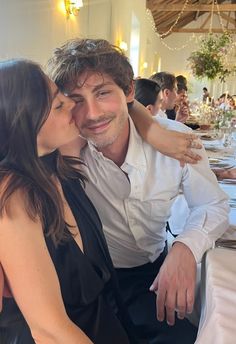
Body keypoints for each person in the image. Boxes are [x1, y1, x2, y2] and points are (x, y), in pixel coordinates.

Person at [47, 38, 230, 344]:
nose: (91, 114)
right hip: (90, 284)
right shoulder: (67, 146)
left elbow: (213, 204)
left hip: (151, 274)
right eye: (76, 99)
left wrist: (186, 248)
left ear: (129, 91)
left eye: (103, 92)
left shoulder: (178, 142)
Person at [0, 59, 142, 344]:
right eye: (59, 104)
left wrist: (156, 128)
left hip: (104, 323)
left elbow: (121, 107)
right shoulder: (14, 193)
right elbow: (48, 330)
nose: (72, 104)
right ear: (25, 122)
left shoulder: (56, 162)